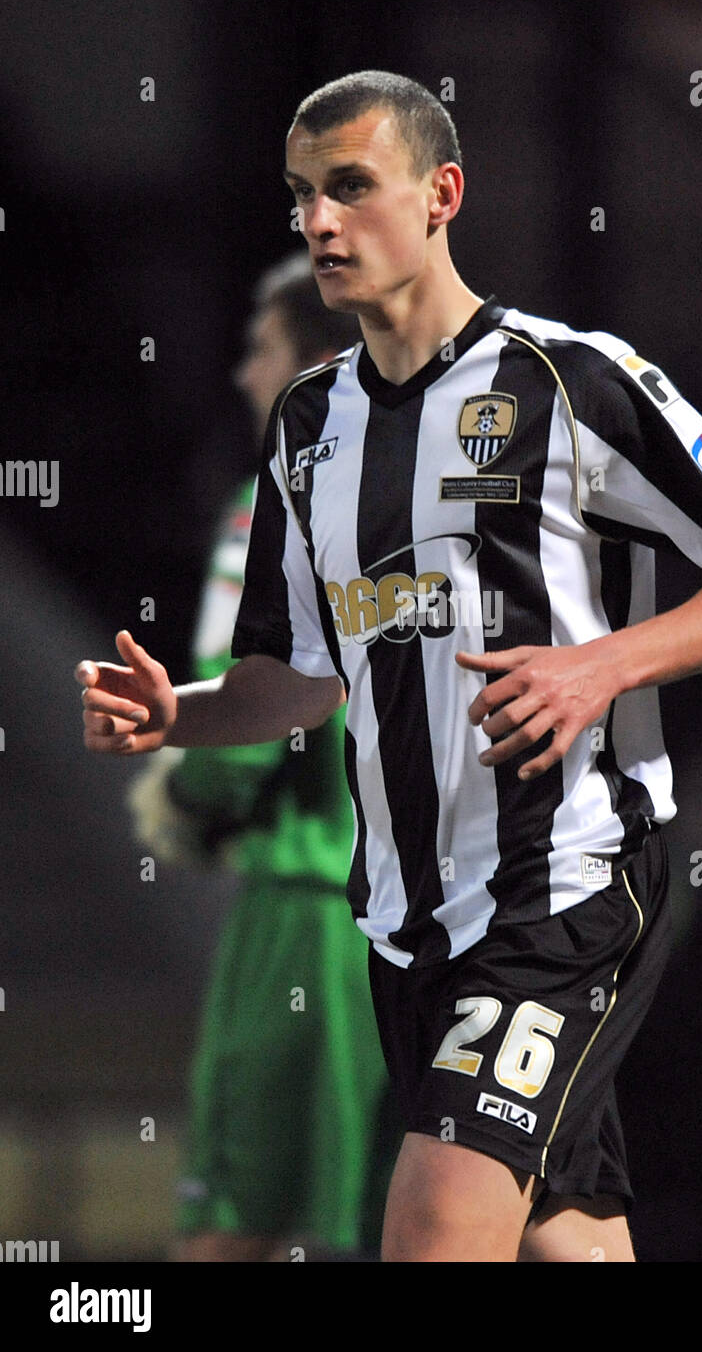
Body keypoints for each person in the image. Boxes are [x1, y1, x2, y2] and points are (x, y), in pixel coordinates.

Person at [76, 70, 702, 1263]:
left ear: (443, 195)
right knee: (569, 1239)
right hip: (405, 924)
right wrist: (177, 714)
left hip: (566, 890)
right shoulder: (309, 427)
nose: (319, 223)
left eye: (351, 189)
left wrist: (602, 669)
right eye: (302, 197)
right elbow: (300, 680)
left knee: (432, 1231)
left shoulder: (572, 381)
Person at [127, 254, 396, 1261]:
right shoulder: (430, 502)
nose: (244, 374)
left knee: (232, 1225)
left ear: (315, 365)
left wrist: (186, 800)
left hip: (307, 918)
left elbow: (236, 743)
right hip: (435, 926)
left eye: (261, 349)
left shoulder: (270, 508)